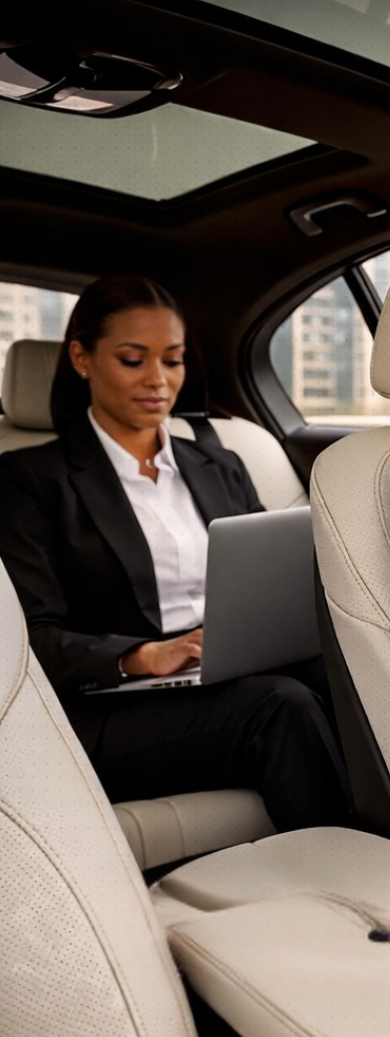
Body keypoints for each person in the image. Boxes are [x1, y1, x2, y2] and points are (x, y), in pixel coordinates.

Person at [0, 275, 351, 835]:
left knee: (351, 675)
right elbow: (32, 638)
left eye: (174, 360)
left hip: (224, 671)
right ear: (82, 359)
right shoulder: (28, 481)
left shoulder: (222, 463)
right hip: (107, 703)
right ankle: (353, 868)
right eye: (134, 360)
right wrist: (143, 655)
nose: (159, 381)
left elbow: (267, 582)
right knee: (279, 704)